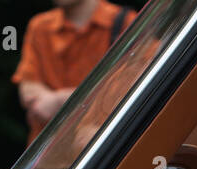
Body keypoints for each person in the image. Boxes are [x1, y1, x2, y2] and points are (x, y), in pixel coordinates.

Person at [12, 0, 137, 144]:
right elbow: (28, 90)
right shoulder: (40, 26)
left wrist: (58, 101)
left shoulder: (126, 22)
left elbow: (134, 93)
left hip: (103, 154)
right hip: (47, 158)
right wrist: (90, 104)